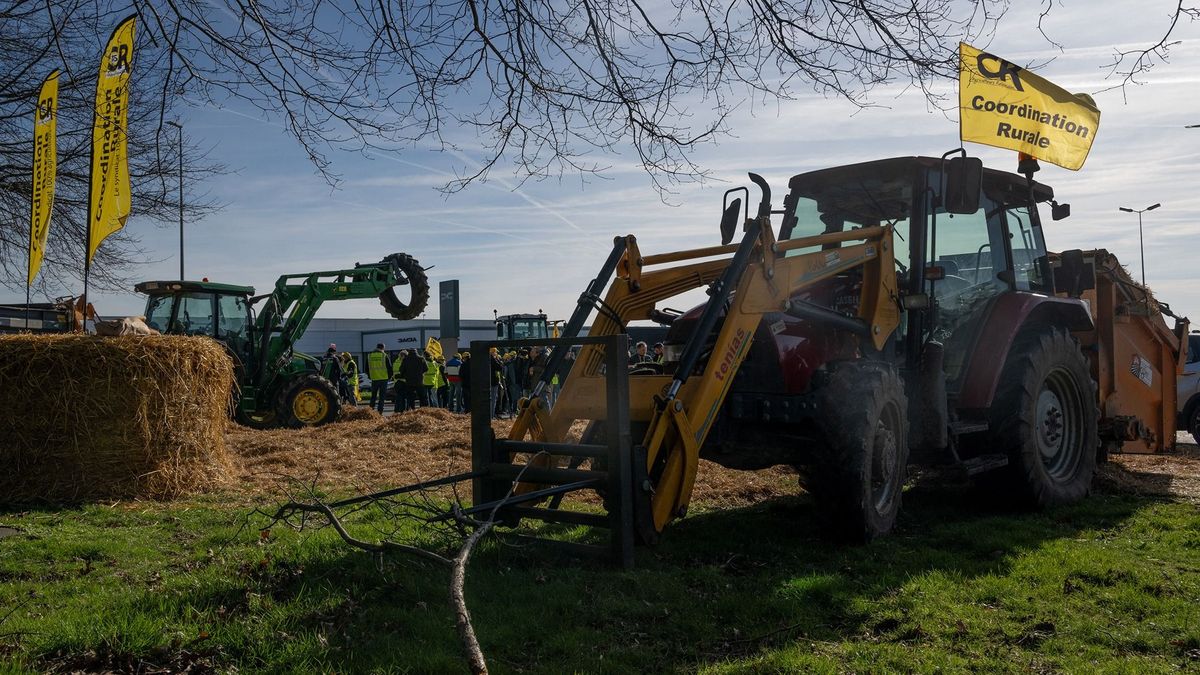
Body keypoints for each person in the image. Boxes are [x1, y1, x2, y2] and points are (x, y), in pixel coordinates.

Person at [365, 343, 392, 414]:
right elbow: (389, 368)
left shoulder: (369, 356)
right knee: (382, 397)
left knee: (373, 396)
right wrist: (389, 377)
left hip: (374, 379)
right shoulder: (384, 355)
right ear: (383, 348)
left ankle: (370, 412)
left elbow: (366, 368)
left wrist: (370, 376)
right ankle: (380, 412)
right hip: (383, 379)